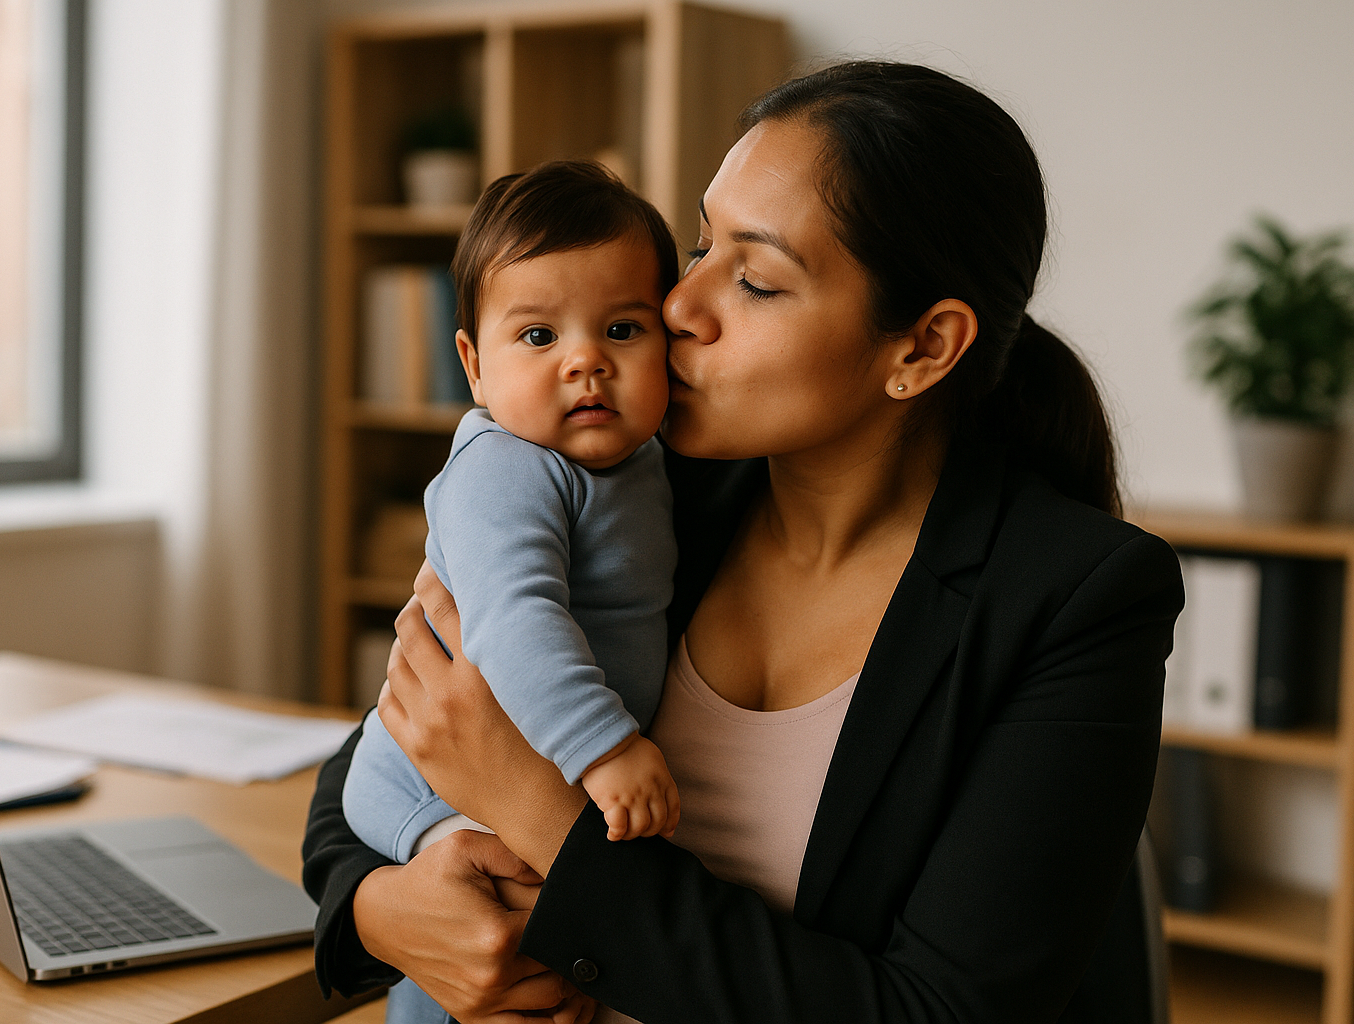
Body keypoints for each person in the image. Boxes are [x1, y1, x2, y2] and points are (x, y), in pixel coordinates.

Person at [304, 60, 1185, 1024]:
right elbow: (380, 755)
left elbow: (938, 1013)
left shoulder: (1077, 601)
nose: (680, 306)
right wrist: (386, 911)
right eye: (700, 244)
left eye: (756, 280)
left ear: (923, 347)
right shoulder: (637, 485)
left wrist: (545, 821)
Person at [341, 161, 686, 1023]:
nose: (585, 363)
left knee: (523, 960)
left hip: (516, 772)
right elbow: (512, 619)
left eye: (622, 328)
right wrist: (604, 749)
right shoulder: (507, 466)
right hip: (433, 786)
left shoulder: (643, 463)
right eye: (538, 337)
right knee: (465, 947)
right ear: (473, 365)